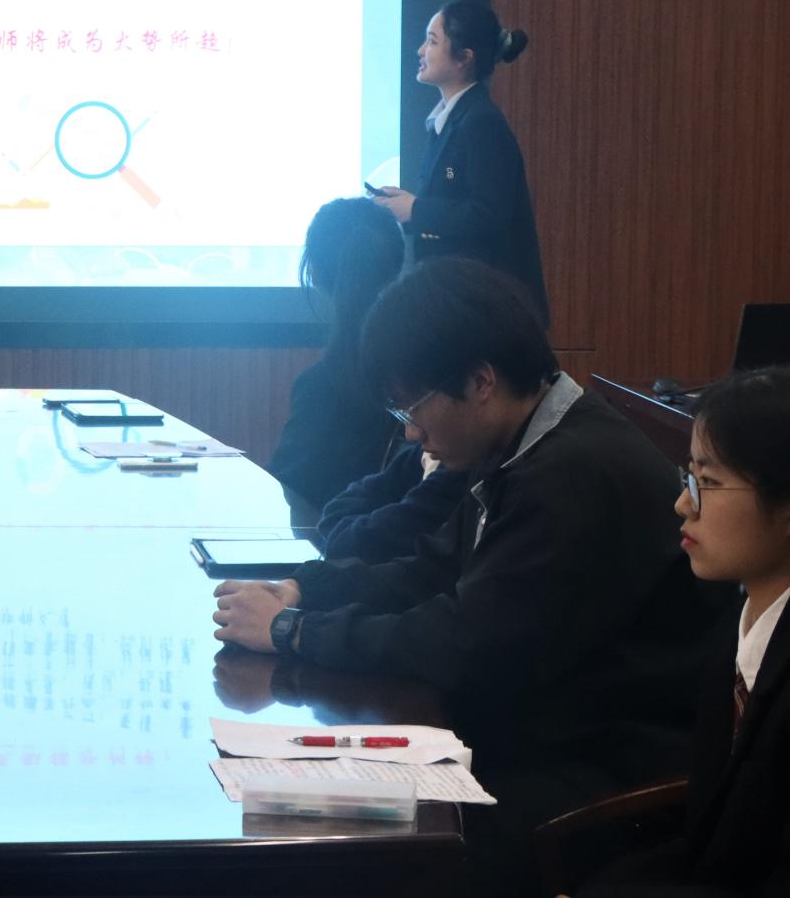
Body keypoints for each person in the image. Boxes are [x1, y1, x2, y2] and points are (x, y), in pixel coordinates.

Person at [212, 258, 723, 889]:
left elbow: (464, 641)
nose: (410, 431)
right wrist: (304, 589)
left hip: (607, 770)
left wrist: (293, 631)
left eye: (413, 405)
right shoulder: (528, 441)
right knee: (304, 811)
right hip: (545, 730)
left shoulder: (573, 472)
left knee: (348, 847)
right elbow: (432, 568)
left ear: (481, 381)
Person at [580, 366, 790, 896]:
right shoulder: (750, 612)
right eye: (689, 477)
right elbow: (710, 839)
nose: (684, 504)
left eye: (708, 483)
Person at [370, 0, 548, 324]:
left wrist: (416, 209)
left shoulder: (480, 122)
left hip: (487, 310)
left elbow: (488, 214)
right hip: (463, 301)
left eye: (432, 41)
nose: (420, 51)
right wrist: (406, 206)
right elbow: (457, 194)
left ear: (464, 58)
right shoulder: (454, 120)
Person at [267, 197, 406, 516]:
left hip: (326, 541)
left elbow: (283, 492)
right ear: (397, 266)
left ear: (314, 274)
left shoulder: (321, 386)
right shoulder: (423, 369)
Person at [312, 435, 468, 563]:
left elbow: (361, 544)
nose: (410, 434)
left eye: (414, 410)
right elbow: (337, 510)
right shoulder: (429, 450)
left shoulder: (460, 462)